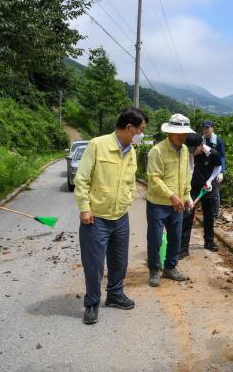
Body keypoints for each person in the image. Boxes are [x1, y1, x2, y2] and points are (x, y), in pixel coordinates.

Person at [74, 108, 148, 325]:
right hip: (96, 218)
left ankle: (115, 295)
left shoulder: (132, 150)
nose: (142, 133)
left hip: (120, 217)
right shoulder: (98, 145)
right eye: (141, 129)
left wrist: (128, 200)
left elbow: (129, 182)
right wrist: (85, 208)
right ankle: (92, 303)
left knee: (119, 261)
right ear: (129, 128)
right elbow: (82, 179)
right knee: (94, 264)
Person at [145, 114, 194, 287]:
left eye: (184, 133)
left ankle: (170, 268)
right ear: (170, 133)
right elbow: (154, 178)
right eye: (179, 133)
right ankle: (154, 270)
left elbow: (186, 175)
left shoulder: (185, 150)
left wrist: (186, 195)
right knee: (156, 239)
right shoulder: (157, 151)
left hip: (178, 205)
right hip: (158, 204)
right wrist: (172, 195)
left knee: (176, 238)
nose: (182, 136)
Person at [179, 133, 222, 258]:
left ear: (201, 145)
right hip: (192, 188)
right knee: (187, 216)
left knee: (209, 216)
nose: (192, 152)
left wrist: (210, 181)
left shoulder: (213, 154)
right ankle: (183, 248)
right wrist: (186, 192)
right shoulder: (187, 153)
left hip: (208, 188)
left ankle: (209, 242)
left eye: (194, 149)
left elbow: (217, 167)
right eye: (189, 149)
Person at [202, 120, 225, 216]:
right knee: (203, 190)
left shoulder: (218, 141)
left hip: (215, 170)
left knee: (215, 194)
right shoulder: (201, 140)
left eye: (208, 127)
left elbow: (222, 156)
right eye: (204, 127)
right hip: (204, 170)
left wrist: (221, 172)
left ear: (212, 128)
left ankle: (215, 214)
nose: (205, 130)